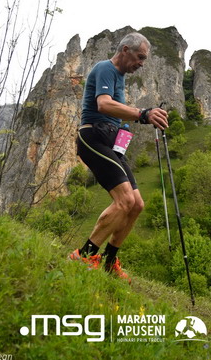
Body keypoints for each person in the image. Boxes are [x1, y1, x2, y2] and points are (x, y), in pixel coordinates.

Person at [69, 32, 168, 283]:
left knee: (136, 204)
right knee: (124, 200)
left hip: (111, 141)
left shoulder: (120, 78)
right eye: (140, 57)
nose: (141, 63)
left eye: (144, 59)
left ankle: (109, 261)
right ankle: (84, 256)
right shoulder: (106, 68)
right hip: (93, 136)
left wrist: (133, 124)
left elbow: (116, 113)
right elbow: (103, 104)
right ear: (125, 50)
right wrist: (143, 114)